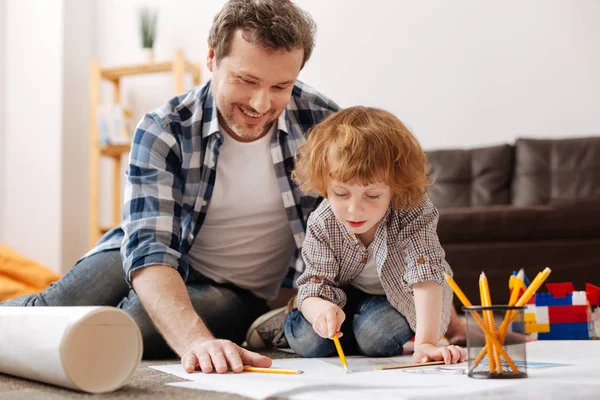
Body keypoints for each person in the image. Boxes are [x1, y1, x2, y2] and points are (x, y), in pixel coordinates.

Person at [2, 0, 466, 372]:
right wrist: (195, 341)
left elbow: (397, 218)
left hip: (236, 288)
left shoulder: (322, 122)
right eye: (245, 80)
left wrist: (443, 317)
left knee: (128, 325)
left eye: (282, 86)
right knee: (55, 305)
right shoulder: (162, 128)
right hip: (149, 253)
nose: (262, 104)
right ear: (211, 59)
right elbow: (150, 251)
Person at [281, 106, 466, 363]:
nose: (355, 209)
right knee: (310, 341)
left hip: (396, 298)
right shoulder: (323, 221)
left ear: (395, 187)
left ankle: (357, 332)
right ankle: (297, 318)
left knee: (376, 337)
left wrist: (425, 343)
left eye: (372, 196)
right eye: (341, 194)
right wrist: (321, 310)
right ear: (325, 185)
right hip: (340, 295)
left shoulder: (412, 211)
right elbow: (316, 284)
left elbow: (426, 276)